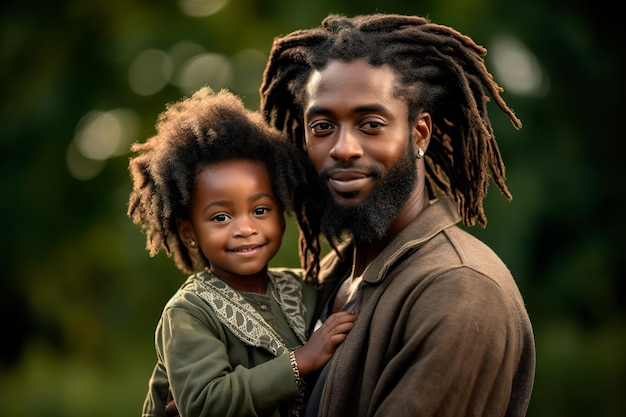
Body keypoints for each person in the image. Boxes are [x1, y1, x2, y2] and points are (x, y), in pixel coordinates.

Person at [257, 13, 536, 417]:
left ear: (418, 132)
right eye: (322, 126)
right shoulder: (328, 280)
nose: (343, 148)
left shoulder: (459, 290)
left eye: (371, 124)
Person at [127, 86, 357, 417]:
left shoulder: (305, 289)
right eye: (221, 217)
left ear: (281, 216)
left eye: (260, 210)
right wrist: (302, 360)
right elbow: (205, 402)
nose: (245, 228)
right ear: (189, 232)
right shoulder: (189, 312)